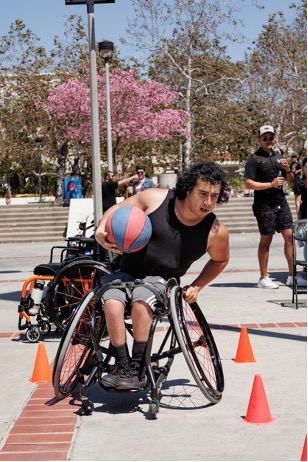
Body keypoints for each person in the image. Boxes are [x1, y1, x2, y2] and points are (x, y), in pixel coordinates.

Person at [95, 160, 230, 389]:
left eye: (215, 196)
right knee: (111, 302)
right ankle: (122, 365)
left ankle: (137, 368)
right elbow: (119, 209)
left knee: (140, 300)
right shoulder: (157, 199)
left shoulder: (215, 231)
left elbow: (220, 260)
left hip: (161, 283)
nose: (208, 202)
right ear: (188, 189)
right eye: (203, 193)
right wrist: (101, 228)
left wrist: (197, 285)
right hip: (125, 271)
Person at [244, 125, 306, 288]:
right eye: (265, 138)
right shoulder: (254, 159)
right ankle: (263, 278)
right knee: (266, 239)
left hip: (281, 203)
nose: (268, 140)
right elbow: (248, 183)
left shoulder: (279, 157)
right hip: (264, 205)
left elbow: (291, 182)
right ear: (259, 140)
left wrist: (287, 170)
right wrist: (270, 184)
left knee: (290, 237)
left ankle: (292, 276)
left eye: (271, 137)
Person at [294, 157, 307, 267]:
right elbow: (298, 203)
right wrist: (299, 221)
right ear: (303, 168)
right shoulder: (300, 183)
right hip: (305, 217)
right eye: (307, 166)